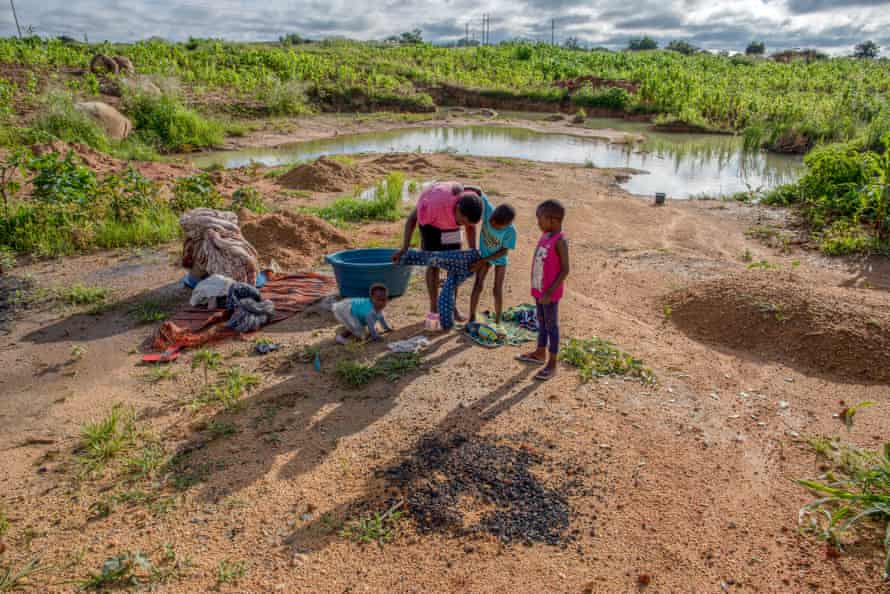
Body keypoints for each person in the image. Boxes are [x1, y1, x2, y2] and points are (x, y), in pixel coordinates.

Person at [392, 182, 483, 327]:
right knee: (433, 262)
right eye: (463, 222)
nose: (465, 226)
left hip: (451, 226)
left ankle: (451, 306)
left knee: (456, 264)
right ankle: (433, 309)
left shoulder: (470, 204)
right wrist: (405, 248)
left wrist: (472, 253)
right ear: (458, 209)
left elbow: (470, 227)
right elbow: (411, 219)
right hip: (431, 225)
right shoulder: (433, 205)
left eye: (467, 224)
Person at [517, 200, 570, 381]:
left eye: (540, 219)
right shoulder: (545, 235)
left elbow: (565, 270)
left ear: (553, 220)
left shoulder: (560, 240)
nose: (537, 222)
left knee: (551, 326)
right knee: (541, 321)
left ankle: (552, 363)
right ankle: (540, 353)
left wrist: (549, 292)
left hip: (550, 294)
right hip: (540, 291)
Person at [469, 197, 517, 324]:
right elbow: (478, 191)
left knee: (497, 290)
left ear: (507, 225)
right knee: (477, 285)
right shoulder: (488, 211)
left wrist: (483, 260)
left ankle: (497, 321)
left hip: (499, 259)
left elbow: (504, 251)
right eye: (491, 222)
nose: (492, 225)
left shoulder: (511, 231)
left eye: (497, 226)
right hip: (484, 256)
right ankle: (471, 317)